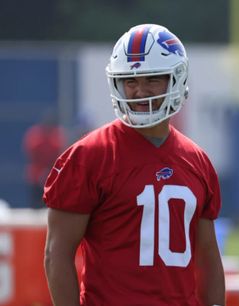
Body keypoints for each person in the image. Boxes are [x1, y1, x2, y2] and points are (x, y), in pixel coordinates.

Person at [43, 24, 225, 306]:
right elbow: (57, 253)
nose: (140, 91)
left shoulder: (197, 160)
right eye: (130, 81)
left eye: (152, 79)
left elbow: (207, 256)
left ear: (175, 79)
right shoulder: (89, 156)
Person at [23, 109, 66, 209]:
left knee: (50, 204)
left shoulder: (57, 136)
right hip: (36, 174)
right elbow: (31, 153)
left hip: (52, 174)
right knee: (35, 205)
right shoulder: (35, 135)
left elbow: (60, 155)